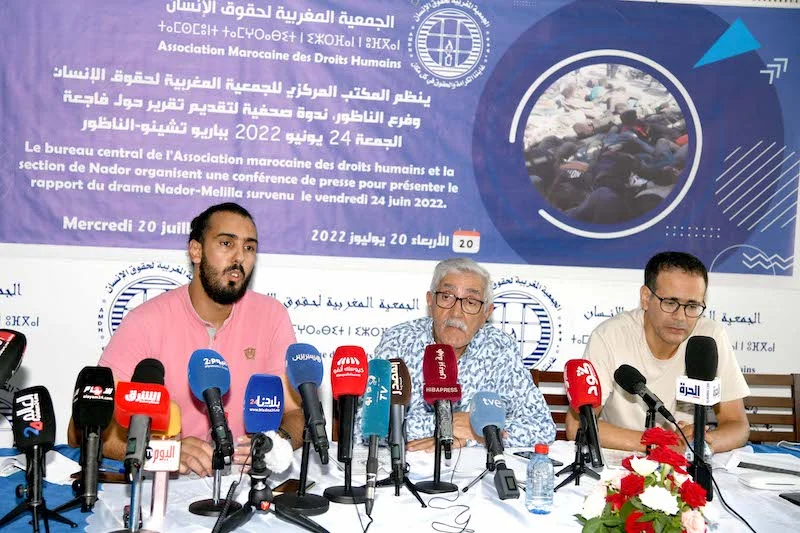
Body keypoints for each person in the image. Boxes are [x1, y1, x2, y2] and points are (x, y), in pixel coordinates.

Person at [68, 202, 303, 476]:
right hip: (167, 485)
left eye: (249, 248)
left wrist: (275, 444)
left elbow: (295, 414)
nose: (240, 257)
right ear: (196, 251)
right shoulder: (145, 321)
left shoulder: (271, 316)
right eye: (226, 243)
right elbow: (84, 429)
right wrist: (165, 452)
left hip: (243, 484)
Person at [358, 258, 556, 451]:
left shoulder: (500, 347)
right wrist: (445, 425)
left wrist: (474, 434)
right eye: (446, 297)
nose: (456, 313)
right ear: (430, 301)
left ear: (486, 313)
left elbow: (542, 426)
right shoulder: (399, 340)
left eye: (471, 302)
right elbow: (364, 426)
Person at [566, 251, 750, 453]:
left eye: (692, 306)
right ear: (646, 298)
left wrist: (701, 443)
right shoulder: (609, 336)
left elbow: (737, 424)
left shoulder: (710, 337)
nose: (680, 317)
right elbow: (577, 426)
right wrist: (661, 443)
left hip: (685, 459)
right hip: (622, 458)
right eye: (670, 303)